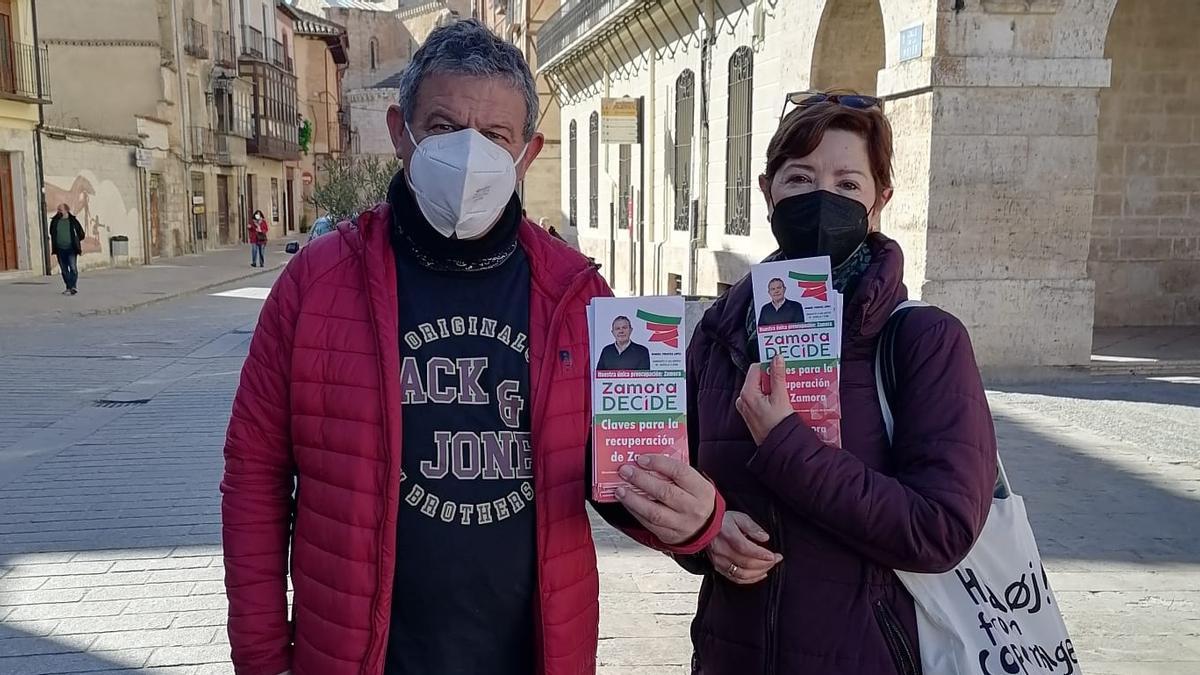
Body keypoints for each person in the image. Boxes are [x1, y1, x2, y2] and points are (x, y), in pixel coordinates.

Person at [221, 20, 723, 675]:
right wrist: (262, 659)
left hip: (532, 654)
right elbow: (254, 479)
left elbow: (620, 475)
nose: (467, 155)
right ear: (400, 133)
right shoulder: (313, 286)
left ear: (528, 152)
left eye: (493, 137)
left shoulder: (580, 296)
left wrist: (691, 519)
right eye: (442, 127)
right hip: (357, 656)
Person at [682, 92, 998, 674]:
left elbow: (942, 528)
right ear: (767, 191)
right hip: (732, 656)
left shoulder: (926, 340)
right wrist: (704, 533)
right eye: (800, 178)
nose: (822, 198)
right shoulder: (720, 334)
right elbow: (677, 478)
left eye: (848, 184)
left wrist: (787, 446)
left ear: (879, 200)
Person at [48, 204, 85, 295]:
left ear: (66, 210)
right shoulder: (55, 221)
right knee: (64, 269)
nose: (59, 211)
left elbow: (81, 234)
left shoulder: (73, 221)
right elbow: (52, 232)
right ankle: (69, 287)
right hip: (60, 249)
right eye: (58, 210)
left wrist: (75, 241)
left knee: (73, 268)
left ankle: (73, 286)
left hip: (71, 248)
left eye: (60, 210)